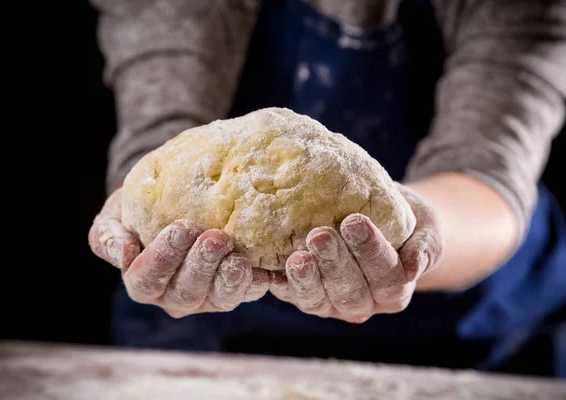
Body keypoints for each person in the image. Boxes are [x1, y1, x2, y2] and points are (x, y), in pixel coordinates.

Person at [88, 0, 566, 375]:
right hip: (205, 333)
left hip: (460, 333)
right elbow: (164, 150)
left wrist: (414, 239)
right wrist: (138, 222)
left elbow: (485, 169)